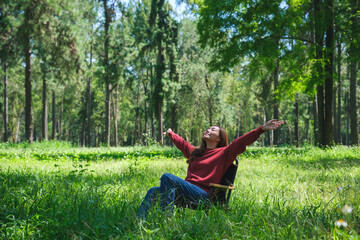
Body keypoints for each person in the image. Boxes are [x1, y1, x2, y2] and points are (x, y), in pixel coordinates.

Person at [137, 119, 284, 218]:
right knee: (153, 192)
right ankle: (139, 220)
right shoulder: (196, 152)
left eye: (212, 130)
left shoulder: (224, 153)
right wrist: (171, 133)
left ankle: (166, 219)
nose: (208, 130)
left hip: (203, 195)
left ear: (219, 138)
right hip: (186, 193)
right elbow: (182, 143)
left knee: (167, 177)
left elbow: (241, 142)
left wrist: (262, 129)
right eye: (207, 129)